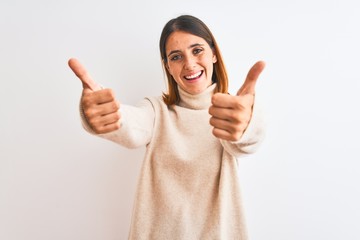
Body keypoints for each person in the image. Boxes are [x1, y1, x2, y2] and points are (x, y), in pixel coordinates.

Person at [69, 15, 266, 240]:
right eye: (176, 56)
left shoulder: (229, 112)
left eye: (197, 50)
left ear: (213, 54)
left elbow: (249, 137)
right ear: (168, 67)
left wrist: (246, 124)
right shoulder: (157, 110)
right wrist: (104, 114)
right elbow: (132, 125)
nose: (189, 64)